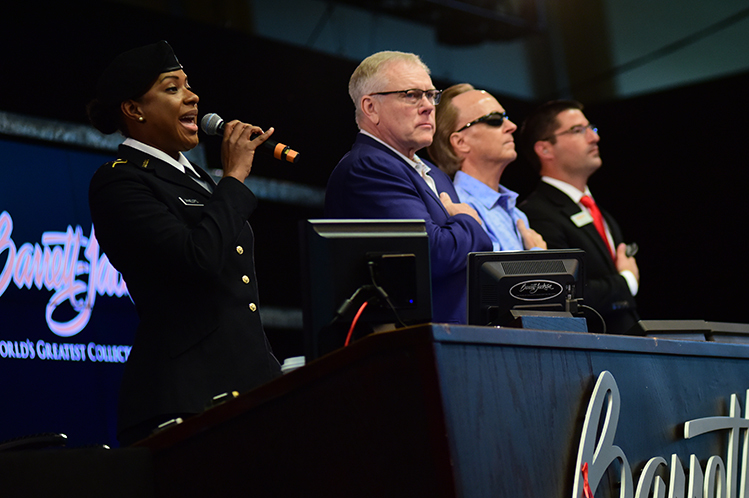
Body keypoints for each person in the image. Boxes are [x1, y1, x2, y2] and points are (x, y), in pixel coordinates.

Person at [86, 41, 281, 444]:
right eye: (172, 88)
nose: (193, 96)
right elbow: (197, 258)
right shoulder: (121, 180)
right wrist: (232, 179)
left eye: (188, 85)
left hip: (247, 390)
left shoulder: (192, 176)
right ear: (134, 109)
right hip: (184, 400)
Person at [325, 52, 492, 325]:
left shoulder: (434, 174)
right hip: (414, 349)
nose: (427, 106)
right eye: (411, 95)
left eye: (430, 95)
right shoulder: (369, 168)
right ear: (370, 108)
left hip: (458, 338)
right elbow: (432, 255)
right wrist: (468, 220)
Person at [519, 100, 640, 334]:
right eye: (577, 130)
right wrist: (627, 281)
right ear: (545, 149)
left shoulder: (600, 213)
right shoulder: (536, 213)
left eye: (591, 128)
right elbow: (563, 292)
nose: (594, 138)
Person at [427, 84, 545, 252]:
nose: (512, 126)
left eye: (506, 117)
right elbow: (492, 276)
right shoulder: (456, 208)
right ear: (461, 143)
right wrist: (539, 255)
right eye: (494, 119)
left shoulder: (517, 214)